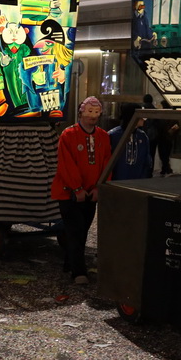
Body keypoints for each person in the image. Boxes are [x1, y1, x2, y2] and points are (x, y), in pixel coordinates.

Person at [51, 96, 111, 285]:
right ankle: (79, 271)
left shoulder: (103, 136)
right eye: (89, 111)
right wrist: (76, 187)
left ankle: (70, 263)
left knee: (82, 231)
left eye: (96, 112)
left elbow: (107, 163)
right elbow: (65, 164)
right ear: (81, 112)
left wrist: (99, 187)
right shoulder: (68, 135)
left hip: (91, 193)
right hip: (68, 193)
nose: (93, 115)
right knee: (75, 230)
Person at [108, 103, 151, 181]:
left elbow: (147, 162)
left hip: (138, 182)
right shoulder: (113, 135)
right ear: (132, 116)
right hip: (116, 181)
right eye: (141, 115)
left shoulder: (142, 136)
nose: (143, 119)